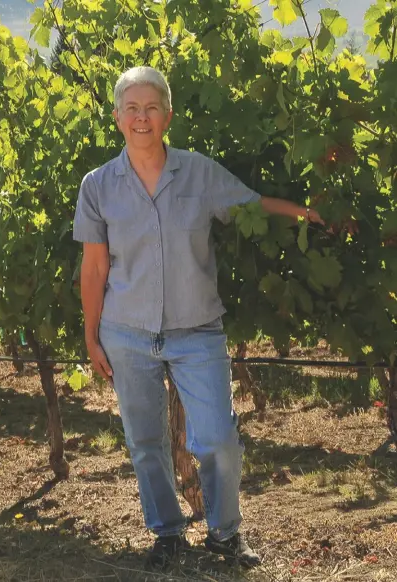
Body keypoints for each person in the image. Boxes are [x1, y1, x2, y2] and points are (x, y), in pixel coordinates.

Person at [73, 66, 324, 571]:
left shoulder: (200, 172)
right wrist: (92, 335)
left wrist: (306, 214)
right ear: (118, 117)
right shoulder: (98, 185)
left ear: (167, 115)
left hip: (197, 332)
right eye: (132, 108)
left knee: (219, 439)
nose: (142, 117)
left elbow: (252, 205)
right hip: (127, 333)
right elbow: (95, 265)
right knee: (145, 442)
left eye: (152, 108)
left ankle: (225, 536)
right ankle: (167, 534)